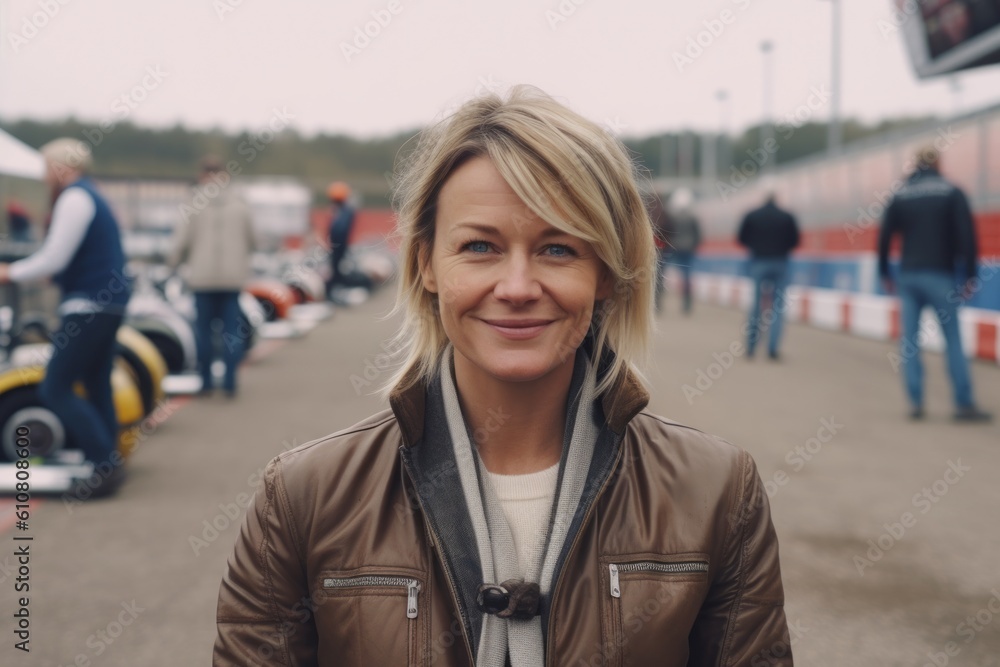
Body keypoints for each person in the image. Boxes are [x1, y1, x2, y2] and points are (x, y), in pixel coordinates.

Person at [214, 87, 791, 666]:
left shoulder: (717, 493)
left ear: (609, 273)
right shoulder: (301, 499)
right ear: (426, 264)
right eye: (481, 246)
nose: (516, 288)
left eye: (558, 249)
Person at [0, 138, 131, 497]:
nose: (44, 177)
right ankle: (109, 464)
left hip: (87, 305)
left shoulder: (74, 198)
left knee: (55, 387)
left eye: (46, 169)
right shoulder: (92, 195)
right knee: (96, 384)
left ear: (61, 168)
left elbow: (53, 257)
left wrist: (9, 273)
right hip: (108, 303)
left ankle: (103, 463)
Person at [878, 146, 992, 422]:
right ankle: (963, 405)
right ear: (939, 162)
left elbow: (883, 238)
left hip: (908, 277)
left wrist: (884, 273)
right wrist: (970, 274)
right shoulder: (952, 191)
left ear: (915, 164)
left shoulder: (900, 194)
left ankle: (916, 403)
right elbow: (967, 236)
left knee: (910, 342)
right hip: (941, 275)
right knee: (952, 338)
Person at [168, 156, 256, 398]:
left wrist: (173, 264)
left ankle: (206, 383)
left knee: (204, 333)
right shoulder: (240, 202)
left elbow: (181, 241)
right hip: (232, 279)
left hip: (202, 278)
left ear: (202, 174)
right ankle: (229, 383)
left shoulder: (193, 202)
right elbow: (253, 240)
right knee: (231, 332)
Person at [737, 190, 800, 360]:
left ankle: (751, 347)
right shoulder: (787, 216)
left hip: (758, 261)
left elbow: (741, 238)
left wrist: (756, 245)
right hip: (781, 262)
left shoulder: (752, 215)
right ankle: (773, 348)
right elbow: (795, 241)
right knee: (777, 307)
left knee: (756, 304)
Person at [665, 187, 702, 314]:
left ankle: (658, 302)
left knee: (663, 273)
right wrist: (693, 246)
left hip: (675, 248)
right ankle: (687, 304)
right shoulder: (692, 218)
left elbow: (669, 233)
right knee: (686, 276)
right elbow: (698, 235)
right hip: (688, 249)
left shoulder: (673, 217)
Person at [325, 180, 356, 299]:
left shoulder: (344, 212)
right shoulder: (343, 211)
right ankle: (336, 290)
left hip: (338, 245)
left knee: (336, 268)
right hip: (338, 245)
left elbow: (338, 230)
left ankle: (335, 292)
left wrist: (334, 243)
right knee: (336, 268)